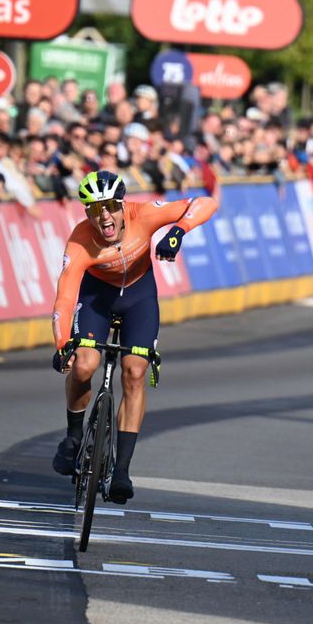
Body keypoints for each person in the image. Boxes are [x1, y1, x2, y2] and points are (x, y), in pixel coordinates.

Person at [50, 170, 218, 502]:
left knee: (135, 372)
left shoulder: (144, 214)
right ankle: (72, 438)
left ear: (122, 205)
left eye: (110, 206)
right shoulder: (81, 240)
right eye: (94, 209)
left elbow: (205, 202)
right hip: (97, 299)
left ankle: (122, 470)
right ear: (86, 213)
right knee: (84, 365)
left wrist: (178, 231)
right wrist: (61, 343)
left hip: (140, 299)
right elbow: (65, 297)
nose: (104, 217)